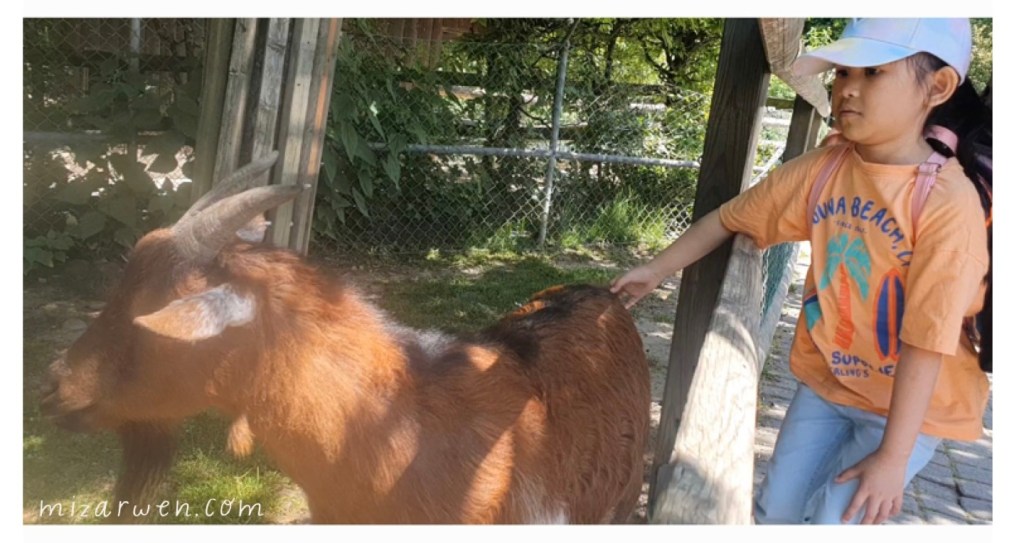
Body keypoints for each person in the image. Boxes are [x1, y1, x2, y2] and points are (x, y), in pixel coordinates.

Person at [610, 18, 990, 525]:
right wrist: (657, 269)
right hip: (827, 383)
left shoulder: (948, 203)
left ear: (938, 87)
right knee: (774, 513)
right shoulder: (824, 169)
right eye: (841, 73)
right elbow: (730, 218)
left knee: (835, 520)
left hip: (910, 409)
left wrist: (894, 460)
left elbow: (927, 339)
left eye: (874, 72)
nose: (848, 88)